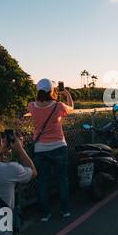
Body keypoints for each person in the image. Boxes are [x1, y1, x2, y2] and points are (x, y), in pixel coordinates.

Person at [28, 79, 74, 222]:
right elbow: (71, 107)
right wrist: (66, 93)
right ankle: (65, 210)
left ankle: (45, 214)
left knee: (43, 182)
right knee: (62, 180)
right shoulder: (58, 106)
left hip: (40, 149)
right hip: (58, 146)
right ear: (52, 90)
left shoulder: (31, 106)